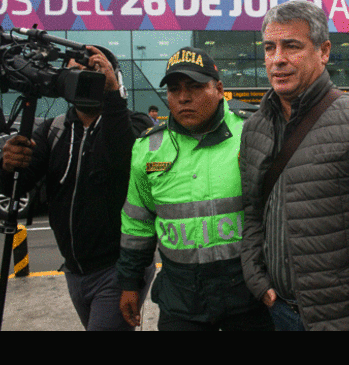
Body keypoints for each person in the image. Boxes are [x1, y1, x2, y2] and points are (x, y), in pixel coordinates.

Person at [239, 0, 349, 331]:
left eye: (292, 46)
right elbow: (252, 213)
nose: (278, 59)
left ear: (324, 51)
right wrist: (257, 279)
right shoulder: (254, 128)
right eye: (269, 47)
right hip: (277, 311)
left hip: (347, 321)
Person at [0, 46, 155, 331]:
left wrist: (112, 95)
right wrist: (8, 167)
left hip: (119, 268)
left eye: (93, 75)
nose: (82, 81)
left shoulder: (135, 124)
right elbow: (18, 188)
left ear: (112, 79)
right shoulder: (53, 130)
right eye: (74, 74)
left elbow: (123, 158)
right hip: (74, 270)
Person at [117, 46, 273, 331]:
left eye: (195, 87)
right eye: (174, 90)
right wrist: (129, 283)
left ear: (219, 89)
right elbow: (137, 224)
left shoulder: (253, 130)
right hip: (181, 301)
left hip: (249, 298)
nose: (184, 97)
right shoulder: (148, 147)